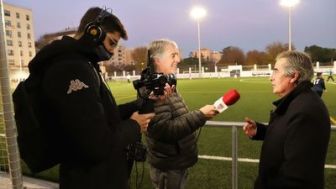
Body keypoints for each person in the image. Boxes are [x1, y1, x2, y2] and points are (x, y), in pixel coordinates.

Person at [28, 7, 154, 189]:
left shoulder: (83, 63)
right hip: (90, 180)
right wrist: (134, 125)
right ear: (93, 31)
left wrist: (139, 104)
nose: (111, 53)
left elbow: (99, 117)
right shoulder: (70, 68)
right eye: (111, 43)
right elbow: (95, 145)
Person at [243, 51, 330, 189]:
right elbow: (290, 135)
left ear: (294, 76)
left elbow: (297, 179)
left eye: (276, 71)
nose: (271, 78)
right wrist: (260, 131)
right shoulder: (297, 102)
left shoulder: (305, 111)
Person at [144, 39, 218, 189]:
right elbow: (165, 130)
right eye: (173, 55)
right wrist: (200, 115)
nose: (178, 59)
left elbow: (176, 117)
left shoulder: (166, 83)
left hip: (176, 163)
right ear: (157, 59)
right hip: (168, 166)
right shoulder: (152, 88)